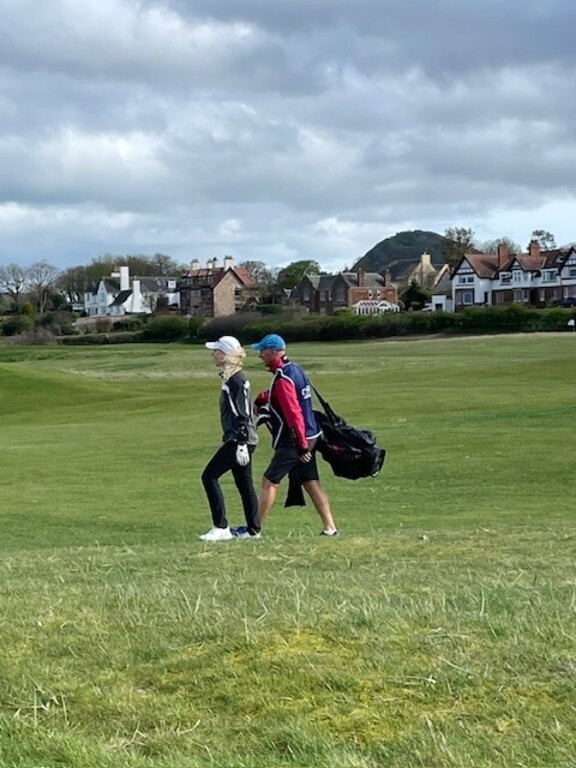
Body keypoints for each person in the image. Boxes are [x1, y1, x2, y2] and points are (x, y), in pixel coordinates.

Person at [251, 333, 339, 536]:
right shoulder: (295, 369)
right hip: (311, 434)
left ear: (274, 352)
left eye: (263, 351)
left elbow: (293, 413)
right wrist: (263, 398)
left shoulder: (283, 377)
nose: (260, 355)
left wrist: (300, 446)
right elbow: (290, 395)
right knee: (310, 481)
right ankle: (330, 528)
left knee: (269, 481)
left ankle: (254, 530)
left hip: (296, 440)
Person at [199, 335, 260, 541]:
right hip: (240, 439)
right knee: (244, 484)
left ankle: (221, 527)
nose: (213, 354)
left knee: (209, 476)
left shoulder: (235, 381)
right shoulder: (233, 379)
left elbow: (242, 413)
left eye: (216, 351)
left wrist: (240, 443)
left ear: (225, 355)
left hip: (240, 440)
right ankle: (253, 530)